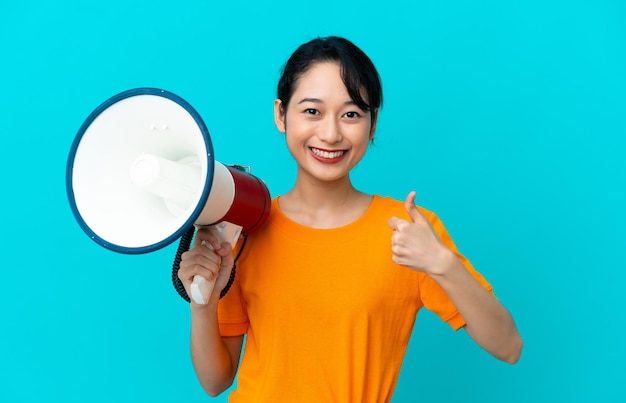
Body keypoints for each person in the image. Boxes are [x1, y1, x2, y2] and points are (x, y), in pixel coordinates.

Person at [177, 35, 523, 402]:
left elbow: (509, 347)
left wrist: (443, 265)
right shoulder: (246, 228)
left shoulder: (406, 231)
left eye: (352, 114)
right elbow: (215, 382)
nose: (330, 133)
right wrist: (203, 304)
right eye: (312, 111)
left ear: (372, 125)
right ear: (281, 114)